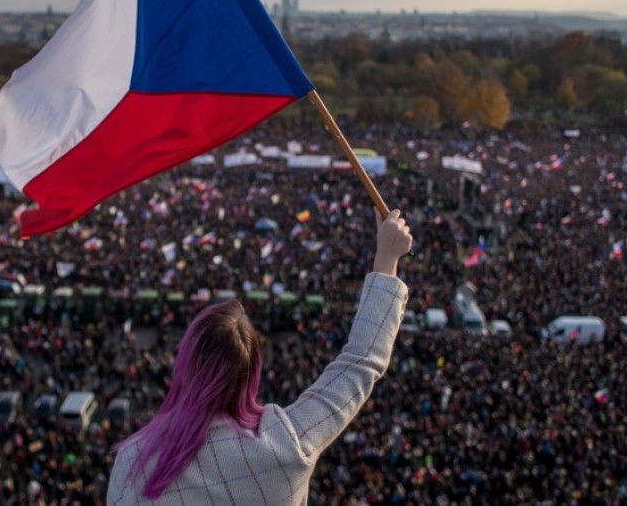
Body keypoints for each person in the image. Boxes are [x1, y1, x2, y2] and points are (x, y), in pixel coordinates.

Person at [109, 208, 412, 504]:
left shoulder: (134, 461)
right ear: (252, 370)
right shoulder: (284, 443)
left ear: (185, 365)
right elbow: (360, 362)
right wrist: (387, 257)